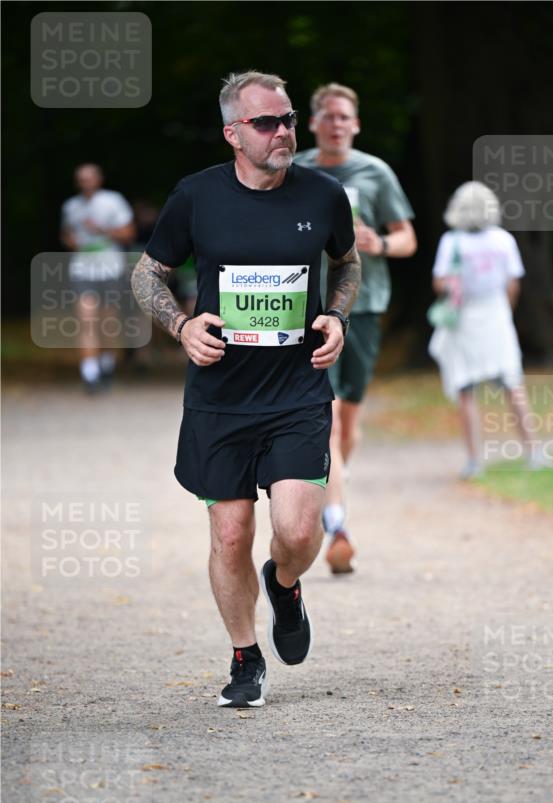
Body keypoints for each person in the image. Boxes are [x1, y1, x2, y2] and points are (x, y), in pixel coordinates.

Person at [131, 71, 360, 708]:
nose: (284, 130)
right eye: (267, 122)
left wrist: (336, 317)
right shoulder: (196, 197)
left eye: (287, 119)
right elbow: (147, 275)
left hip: (296, 390)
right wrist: (181, 324)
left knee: (295, 531)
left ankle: (284, 584)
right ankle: (244, 656)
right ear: (234, 133)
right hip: (220, 397)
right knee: (229, 535)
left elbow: (347, 263)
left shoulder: (323, 195)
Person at [295, 83, 416, 574]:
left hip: (364, 304)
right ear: (314, 122)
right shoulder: (295, 170)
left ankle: (330, 485)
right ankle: (338, 523)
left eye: (345, 117)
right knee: (327, 412)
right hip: (308, 306)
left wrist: (378, 243)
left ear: (356, 124)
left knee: (348, 425)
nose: (337, 124)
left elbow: (408, 238)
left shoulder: (375, 172)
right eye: (328, 116)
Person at [431, 181, 546, 478]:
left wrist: (454, 286)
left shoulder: (452, 241)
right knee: (512, 383)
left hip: (465, 318)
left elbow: (439, 282)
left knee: (465, 388)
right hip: (496, 314)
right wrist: (505, 310)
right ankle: (533, 450)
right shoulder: (503, 240)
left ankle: (474, 460)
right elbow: (513, 283)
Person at [60, 164, 136, 392]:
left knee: (107, 322)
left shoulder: (113, 201)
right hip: (82, 268)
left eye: (90, 178)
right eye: (81, 179)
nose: (86, 182)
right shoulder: (71, 206)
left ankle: (107, 363)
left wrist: (101, 230)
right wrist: (70, 241)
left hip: (110, 267)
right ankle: (89, 373)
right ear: (77, 182)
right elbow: (66, 235)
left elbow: (129, 233)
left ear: (99, 179)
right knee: (87, 320)